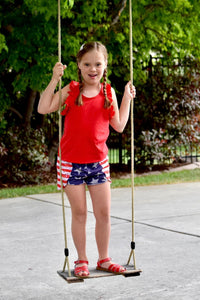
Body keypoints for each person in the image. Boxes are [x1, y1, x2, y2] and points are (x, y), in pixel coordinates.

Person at [38, 41, 136, 278]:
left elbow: (120, 126)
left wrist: (126, 98)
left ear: (105, 65)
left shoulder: (107, 92)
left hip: (98, 164)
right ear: (79, 66)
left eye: (98, 64)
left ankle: (104, 259)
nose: (93, 69)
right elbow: (43, 108)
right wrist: (54, 79)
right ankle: (82, 260)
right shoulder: (71, 90)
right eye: (87, 64)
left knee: (103, 214)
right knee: (79, 213)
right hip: (71, 164)